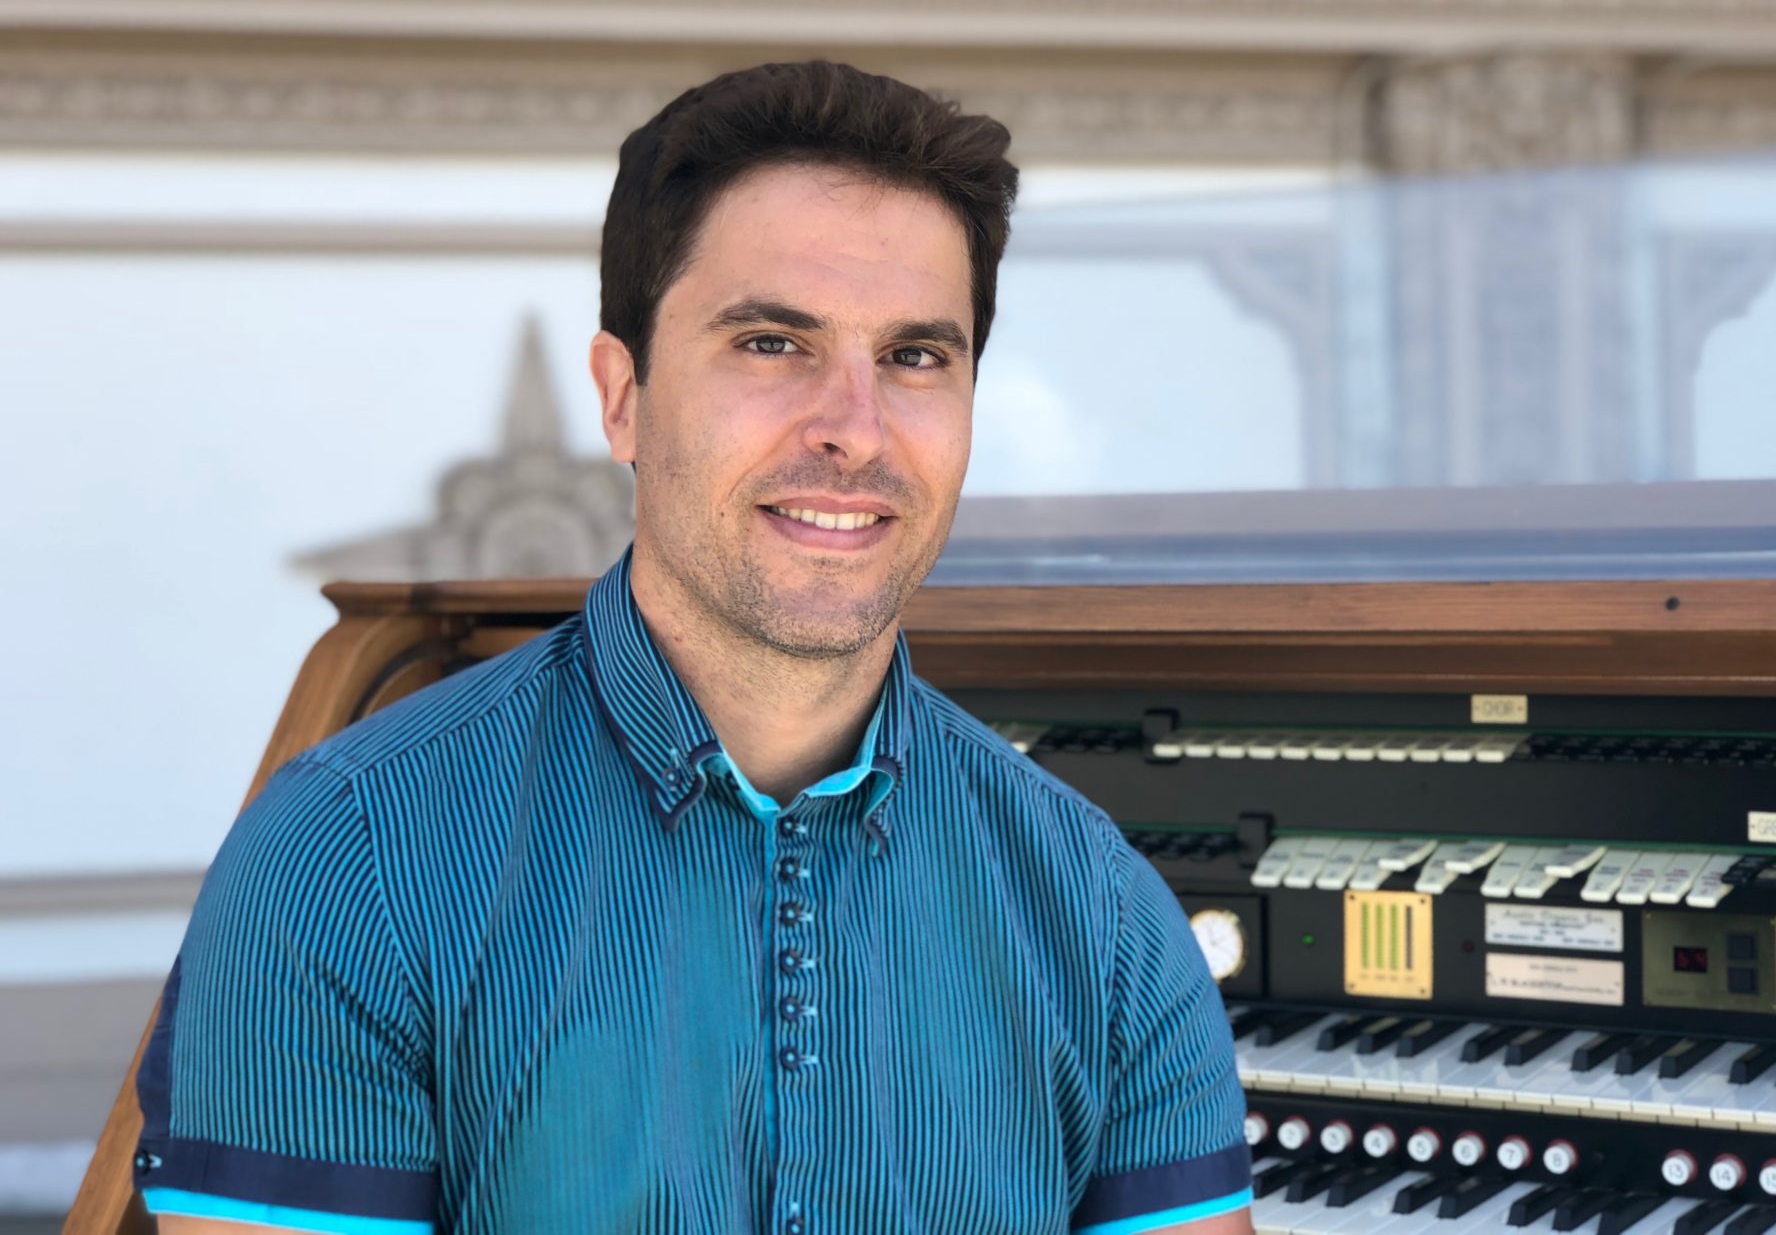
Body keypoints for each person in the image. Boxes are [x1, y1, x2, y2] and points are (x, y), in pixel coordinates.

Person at [134, 61, 1253, 1234]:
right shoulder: (344, 857)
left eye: (915, 357)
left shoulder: (1105, 915)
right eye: (771, 343)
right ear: (622, 396)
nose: (855, 431)